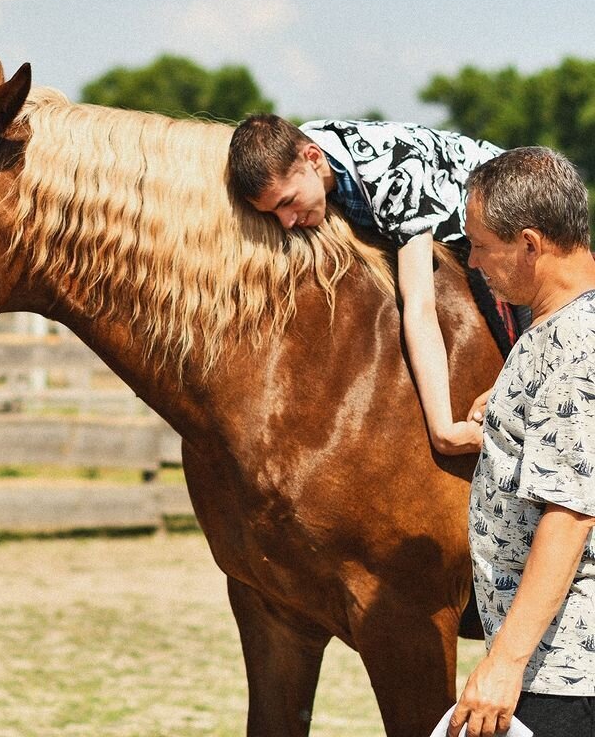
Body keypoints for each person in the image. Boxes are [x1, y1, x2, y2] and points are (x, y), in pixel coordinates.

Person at [228, 115, 503, 455]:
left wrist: (443, 431)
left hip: (505, 207)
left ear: (313, 159)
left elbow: (419, 303)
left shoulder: (391, 173)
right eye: (273, 214)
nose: (286, 223)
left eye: (287, 202)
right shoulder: (301, 153)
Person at [447, 147, 595, 737]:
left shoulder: (574, 347)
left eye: (480, 244)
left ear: (530, 245)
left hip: (563, 670)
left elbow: (569, 512)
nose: (473, 260)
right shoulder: (558, 330)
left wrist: (503, 663)